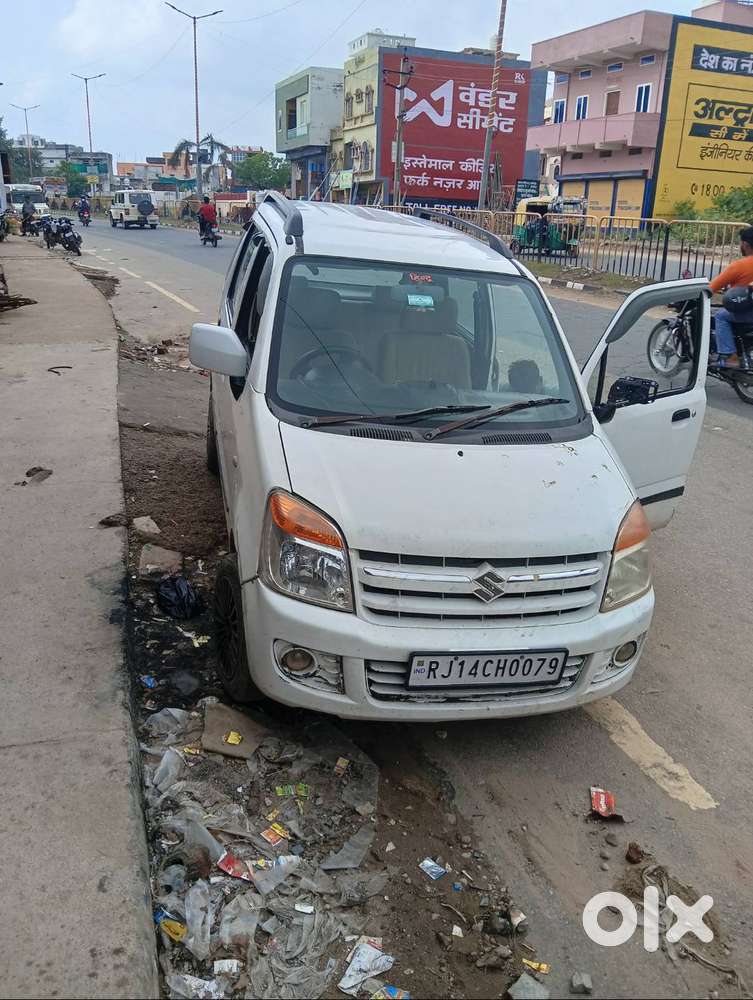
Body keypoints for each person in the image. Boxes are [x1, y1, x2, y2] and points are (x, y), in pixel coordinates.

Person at [708, 225, 753, 368]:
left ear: (745, 244)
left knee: (721, 316)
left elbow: (711, 288)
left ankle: (730, 356)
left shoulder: (739, 266)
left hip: (748, 312)